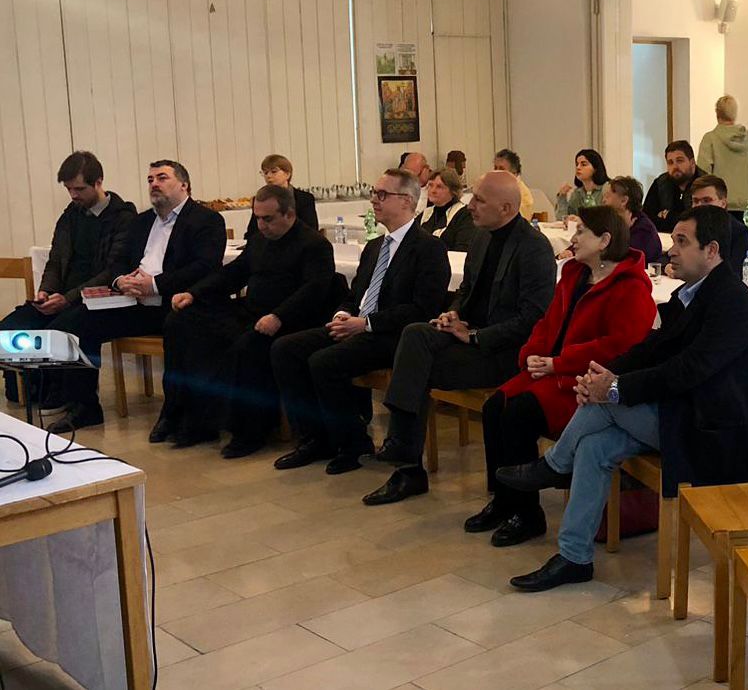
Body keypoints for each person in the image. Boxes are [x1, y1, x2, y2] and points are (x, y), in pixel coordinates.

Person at [497, 205, 748, 591]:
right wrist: (605, 374)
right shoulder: (694, 293)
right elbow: (651, 348)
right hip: (681, 414)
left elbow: (687, 370)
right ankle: (574, 557)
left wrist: (613, 387)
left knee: (606, 404)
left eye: (682, 242)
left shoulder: (732, 301)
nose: (671, 249)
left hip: (713, 429)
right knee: (593, 446)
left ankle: (554, 465)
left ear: (711, 251)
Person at [363, 171, 556, 506]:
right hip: (468, 335)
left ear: (506, 208)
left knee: (415, 369)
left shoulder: (534, 248)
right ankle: (405, 453)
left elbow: (533, 320)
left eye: (479, 200)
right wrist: (452, 314)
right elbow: (465, 291)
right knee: (415, 334)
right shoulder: (481, 238)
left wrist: (476, 336)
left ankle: (407, 466)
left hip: (504, 349)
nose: (470, 207)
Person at [467, 205, 656, 547]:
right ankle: (505, 500)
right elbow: (548, 322)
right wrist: (532, 354)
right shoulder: (574, 273)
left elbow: (619, 346)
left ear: (604, 240)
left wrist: (559, 363)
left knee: (519, 414)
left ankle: (527, 514)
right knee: (494, 407)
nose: (574, 238)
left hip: (582, 382)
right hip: (552, 370)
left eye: (581, 231)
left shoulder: (631, 286)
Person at [271, 168, 450, 475]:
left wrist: (365, 324)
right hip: (359, 326)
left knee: (323, 362)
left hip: (394, 336)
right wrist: (342, 315)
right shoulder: (375, 246)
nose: (374, 200)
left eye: (382, 194)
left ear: (407, 200)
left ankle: (352, 443)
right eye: (373, 193)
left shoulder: (428, 248)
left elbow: (422, 309)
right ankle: (315, 438)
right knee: (285, 349)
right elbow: (355, 296)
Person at [153, 185, 337, 455]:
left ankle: (250, 432)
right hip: (253, 311)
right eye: (257, 218)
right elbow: (233, 274)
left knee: (246, 346)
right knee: (184, 323)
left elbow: (314, 291)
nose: (261, 225)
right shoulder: (260, 240)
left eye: (268, 219)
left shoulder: (314, 245)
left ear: (289, 214)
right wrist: (194, 293)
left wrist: (279, 316)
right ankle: (190, 418)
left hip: (291, 319)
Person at [46, 160, 225, 434]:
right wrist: (120, 280)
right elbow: (118, 263)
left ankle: (174, 414)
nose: (154, 184)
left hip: (176, 303)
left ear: (184, 185)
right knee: (73, 322)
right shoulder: (142, 222)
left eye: (162, 178)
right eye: (150, 179)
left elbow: (204, 267)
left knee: (180, 327)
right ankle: (84, 407)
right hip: (136, 303)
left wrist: (154, 285)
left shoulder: (206, 220)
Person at [0, 151, 136, 405]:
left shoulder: (123, 217)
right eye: (69, 189)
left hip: (95, 298)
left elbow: (111, 271)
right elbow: (55, 260)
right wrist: (46, 290)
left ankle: (62, 395)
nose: (73, 195)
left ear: (98, 182)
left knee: (64, 327)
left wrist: (68, 298)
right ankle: (31, 390)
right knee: (10, 328)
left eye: (79, 189)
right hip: (62, 295)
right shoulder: (70, 216)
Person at [697, 95, 748, 218]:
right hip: (746, 207)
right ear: (735, 114)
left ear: (717, 114)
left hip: (718, 204)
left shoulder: (710, 139)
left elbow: (703, 175)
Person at [684, 174, 748, 278]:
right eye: (695, 201)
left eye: (706, 200)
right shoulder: (690, 228)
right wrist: (667, 266)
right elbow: (668, 256)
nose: (699, 206)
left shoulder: (739, 232)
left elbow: (736, 272)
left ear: (723, 203)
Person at [244, 154, 317, 239]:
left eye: (274, 171)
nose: (268, 176)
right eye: (265, 172)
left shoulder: (304, 198)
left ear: (287, 174)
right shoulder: (260, 200)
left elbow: (311, 230)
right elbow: (252, 232)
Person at [643, 140, 707, 233]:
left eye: (679, 161)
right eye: (670, 162)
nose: (675, 166)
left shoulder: (706, 184)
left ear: (692, 162)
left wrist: (668, 216)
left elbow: (701, 222)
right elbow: (647, 219)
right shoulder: (661, 183)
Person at [602, 176, 662, 263]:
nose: (603, 200)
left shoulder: (643, 230)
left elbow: (623, 260)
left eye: (607, 196)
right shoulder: (614, 221)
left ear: (624, 201)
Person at [419, 168, 477, 252]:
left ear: (453, 191)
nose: (433, 191)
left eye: (439, 187)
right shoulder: (426, 213)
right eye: (430, 185)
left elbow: (462, 249)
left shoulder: (464, 215)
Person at [555, 150, 609, 221]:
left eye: (583, 164)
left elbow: (609, 219)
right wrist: (562, 196)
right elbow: (561, 219)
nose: (578, 167)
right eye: (577, 164)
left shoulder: (608, 189)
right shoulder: (577, 193)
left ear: (595, 168)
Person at [493, 148, 534, 220]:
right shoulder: (496, 188)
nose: (496, 172)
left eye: (501, 169)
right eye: (495, 168)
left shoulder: (522, 194)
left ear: (514, 173)